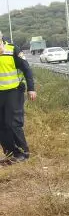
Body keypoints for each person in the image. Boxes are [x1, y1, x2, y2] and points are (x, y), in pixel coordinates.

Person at [0, 29, 36, 163]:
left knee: (12, 123)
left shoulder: (12, 49)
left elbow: (26, 69)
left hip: (14, 91)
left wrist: (31, 89)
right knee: (1, 125)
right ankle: (10, 154)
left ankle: (23, 153)